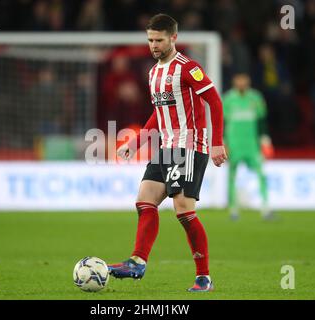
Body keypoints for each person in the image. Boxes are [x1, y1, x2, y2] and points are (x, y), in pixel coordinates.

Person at [108, 14, 227, 292]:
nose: (153, 45)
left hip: (188, 146)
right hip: (166, 149)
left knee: (184, 212)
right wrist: (136, 142)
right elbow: (158, 113)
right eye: (150, 40)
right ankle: (137, 262)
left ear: (173, 37)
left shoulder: (188, 68)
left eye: (159, 40)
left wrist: (217, 142)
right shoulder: (153, 73)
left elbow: (214, 101)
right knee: (144, 200)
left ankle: (203, 277)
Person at [222, 73, 274, 220]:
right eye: (239, 79)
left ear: (248, 80)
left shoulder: (256, 98)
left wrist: (265, 140)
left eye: (244, 79)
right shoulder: (228, 99)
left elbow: (262, 120)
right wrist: (223, 143)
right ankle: (233, 209)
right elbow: (222, 122)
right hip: (234, 144)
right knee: (232, 176)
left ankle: (265, 207)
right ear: (234, 81)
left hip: (252, 145)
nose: (241, 82)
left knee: (261, 174)